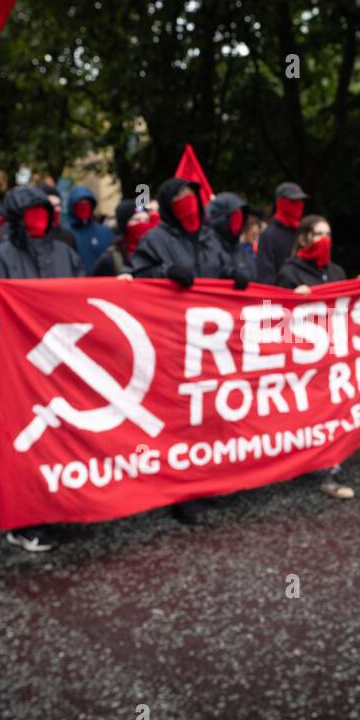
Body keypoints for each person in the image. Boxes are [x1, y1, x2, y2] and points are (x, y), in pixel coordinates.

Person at [132, 177, 239, 524]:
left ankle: (207, 482)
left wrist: (235, 276)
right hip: (174, 343)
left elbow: (224, 270)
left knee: (210, 416)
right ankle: (182, 492)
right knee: (180, 420)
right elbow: (138, 279)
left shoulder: (211, 238)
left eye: (190, 195)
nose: (187, 202)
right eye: (178, 198)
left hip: (212, 344)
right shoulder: (155, 240)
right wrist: (165, 272)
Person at [0, 185, 86, 550]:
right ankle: (27, 519)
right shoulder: (0, 257)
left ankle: (60, 505)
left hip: (64, 362)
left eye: (43, 211)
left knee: (62, 440)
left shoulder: (64, 251)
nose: (39, 219)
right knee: (29, 443)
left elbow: (85, 296)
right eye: (30, 213)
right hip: (22, 368)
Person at [276, 213, 360, 500]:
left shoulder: (337, 272)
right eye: (319, 234)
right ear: (304, 238)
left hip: (333, 356)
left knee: (331, 410)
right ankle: (311, 466)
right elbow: (274, 320)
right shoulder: (289, 273)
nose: (324, 240)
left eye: (328, 234)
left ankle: (328, 466)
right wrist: (293, 298)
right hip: (303, 359)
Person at [255, 182, 309, 284]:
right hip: (280, 297)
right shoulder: (268, 236)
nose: (299, 205)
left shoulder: (303, 232)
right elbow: (265, 279)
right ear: (281, 203)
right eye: (293, 201)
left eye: (300, 201)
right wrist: (268, 301)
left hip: (305, 296)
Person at [92, 200, 158, 277]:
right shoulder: (111, 259)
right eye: (136, 220)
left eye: (146, 220)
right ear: (124, 224)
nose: (143, 224)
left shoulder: (157, 253)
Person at [206, 191, 255, 289]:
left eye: (241, 217)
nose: (239, 221)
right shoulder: (206, 248)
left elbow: (256, 279)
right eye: (235, 216)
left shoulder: (242, 252)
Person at [61, 184, 114, 272]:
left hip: (101, 282)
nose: (84, 206)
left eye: (87, 203)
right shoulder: (63, 232)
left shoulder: (104, 232)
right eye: (80, 203)